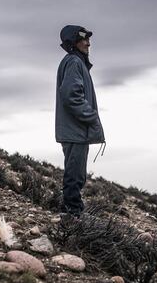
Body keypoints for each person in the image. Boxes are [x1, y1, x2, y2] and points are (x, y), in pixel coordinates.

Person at [55, 25, 106, 218]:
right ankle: (72, 214)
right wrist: (91, 116)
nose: (88, 43)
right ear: (73, 42)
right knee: (74, 175)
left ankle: (73, 212)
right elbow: (71, 96)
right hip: (75, 131)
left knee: (76, 174)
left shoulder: (75, 62)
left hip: (75, 131)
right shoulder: (74, 62)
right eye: (83, 39)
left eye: (88, 39)